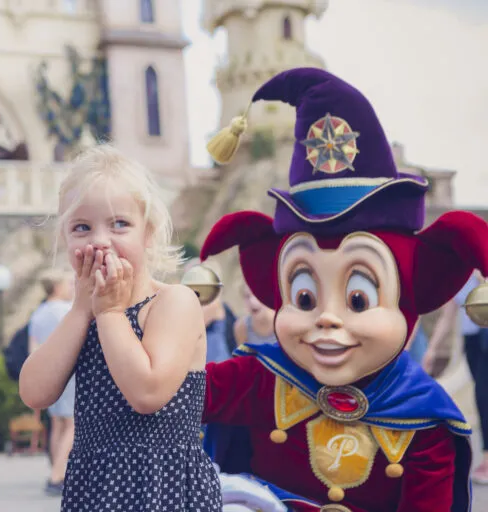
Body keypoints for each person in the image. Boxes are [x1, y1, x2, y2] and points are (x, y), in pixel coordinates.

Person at [200, 68, 480, 511]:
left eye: (358, 300)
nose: (327, 317)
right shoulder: (261, 379)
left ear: (410, 295)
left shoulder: (423, 420)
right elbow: (165, 397)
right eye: (305, 298)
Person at [19, 145, 223, 511]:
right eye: (82, 227)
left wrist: (110, 312)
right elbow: (34, 392)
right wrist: (82, 310)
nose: (100, 240)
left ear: (148, 234)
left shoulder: (173, 302)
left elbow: (147, 393)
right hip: (96, 488)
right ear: (65, 239)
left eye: (119, 224)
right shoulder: (83, 315)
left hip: (164, 486)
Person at [423, 271, 488, 483]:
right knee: (481, 394)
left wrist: (482, 278)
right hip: (471, 339)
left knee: (483, 395)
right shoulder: (461, 275)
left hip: (486, 335)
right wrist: (432, 349)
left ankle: (487, 458)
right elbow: (448, 314)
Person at [29, 269, 75, 495]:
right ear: (57, 287)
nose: (71, 287)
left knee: (57, 423)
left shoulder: (38, 314)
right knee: (72, 424)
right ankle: (58, 474)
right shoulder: (67, 311)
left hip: (49, 373)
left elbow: (33, 349)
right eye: (68, 284)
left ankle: (56, 470)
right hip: (69, 372)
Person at [234, 283, 277, 347]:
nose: (252, 301)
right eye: (247, 296)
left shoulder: (283, 323)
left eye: (256, 295)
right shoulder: (242, 327)